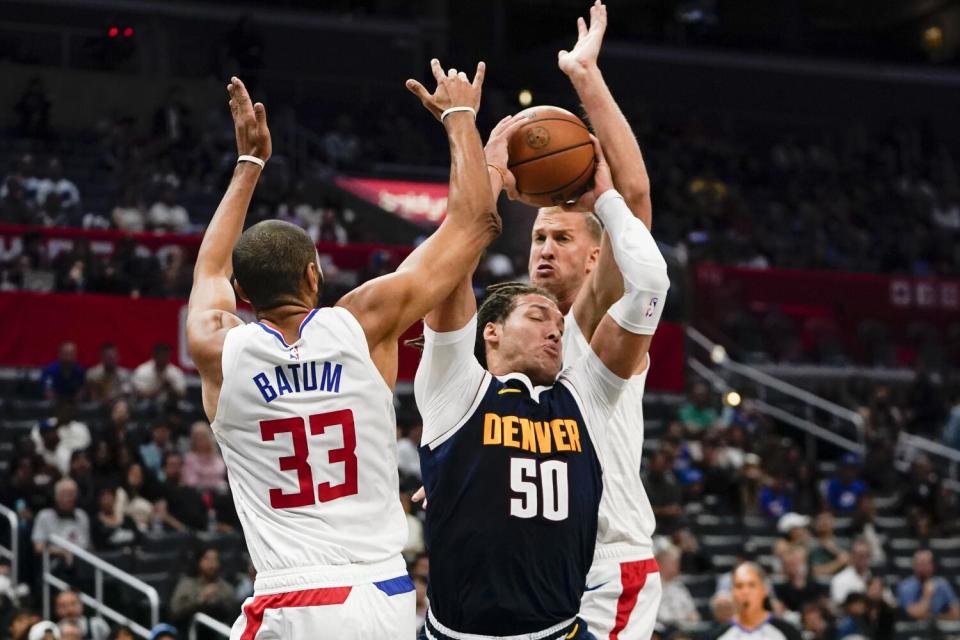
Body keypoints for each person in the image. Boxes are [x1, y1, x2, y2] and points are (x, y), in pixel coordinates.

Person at [185, 69, 501, 638]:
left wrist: (248, 164)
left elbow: (209, 268)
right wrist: (460, 120)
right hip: (385, 596)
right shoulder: (365, 322)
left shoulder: (219, 347)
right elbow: (474, 223)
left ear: (245, 296)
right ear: (315, 274)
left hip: (292, 596)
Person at [414, 131, 669, 637]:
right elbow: (449, 272)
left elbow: (652, 286)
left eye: (558, 320)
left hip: (559, 624)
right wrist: (478, 170)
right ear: (491, 332)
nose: (556, 327)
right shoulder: (459, 395)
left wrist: (609, 203)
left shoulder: (582, 396)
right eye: (537, 315)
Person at [490, 3, 663, 636]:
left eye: (560, 238)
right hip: (544, 560)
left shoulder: (593, 323)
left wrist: (585, 77)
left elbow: (636, 200)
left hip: (607, 563)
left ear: (596, 257)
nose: (542, 249)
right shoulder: (517, 335)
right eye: (537, 237)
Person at [708, 563, 802, 639]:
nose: (745, 592)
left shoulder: (788, 632)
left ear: (764, 589)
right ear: (732, 592)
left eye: (752, 585)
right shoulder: (718, 636)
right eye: (739, 586)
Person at [32, 479, 90, 576]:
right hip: (57, 563)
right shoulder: (44, 516)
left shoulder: (82, 516)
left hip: (81, 562)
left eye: (73, 494)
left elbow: (87, 546)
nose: (70, 498)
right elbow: (38, 548)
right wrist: (62, 552)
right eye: (66, 494)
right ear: (56, 497)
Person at [170, 547, 235, 629]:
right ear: (199, 561)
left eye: (214, 559)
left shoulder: (226, 587)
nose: (211, 564)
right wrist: (200, 599)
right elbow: (176, 611)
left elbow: (232, 611)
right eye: (207, 559)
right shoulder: (187, 585)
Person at [896, 549, 960, 620]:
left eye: (927, 563)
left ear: (932, 565)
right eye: (920, 564)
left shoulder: (942, 584)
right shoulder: (905, 586)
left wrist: (936, 618)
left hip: (938, 627)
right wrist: (927, 595)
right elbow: (915, 614)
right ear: (914, 566)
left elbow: (956, 613)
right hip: (912, 628)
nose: (924, 568)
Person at [655, 546, 700, 628]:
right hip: (663, 630)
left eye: (677, 562)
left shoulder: (680, 586)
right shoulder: (653, 587)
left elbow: (694, 614)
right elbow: (659, 617)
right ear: (660, 563)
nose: (677, 565)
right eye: (673, 562)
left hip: (684, 629)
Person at [181, 421, 227, 493]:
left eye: (203, 437)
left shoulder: (217, 458)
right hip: (197, 494)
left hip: (217, 495)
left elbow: (220, 475)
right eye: (197, 438)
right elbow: (190, 481)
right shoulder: (189, 458)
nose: (200, 441)